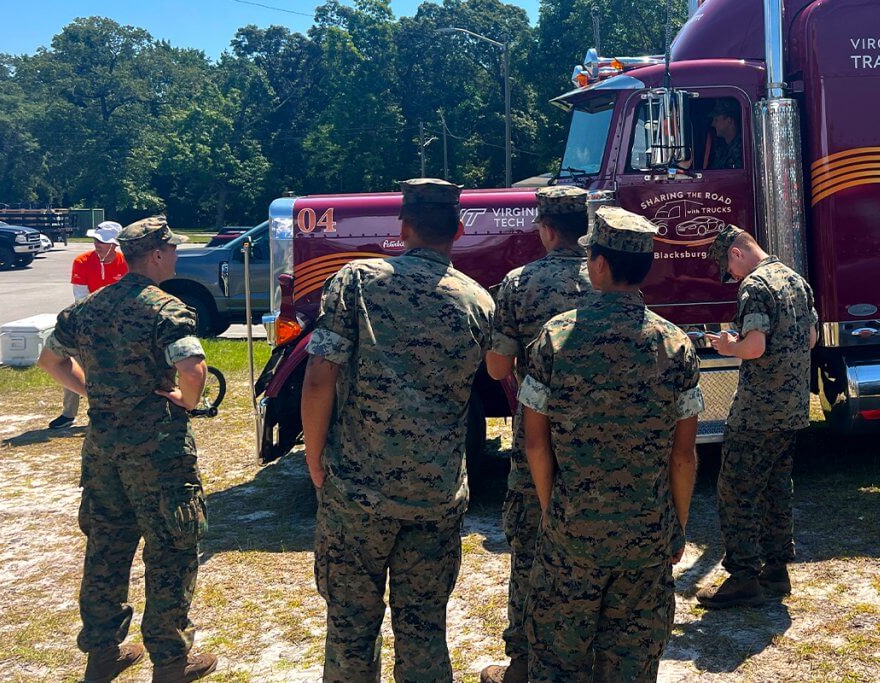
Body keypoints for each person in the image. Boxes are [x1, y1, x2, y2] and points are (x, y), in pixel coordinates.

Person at [300, 178, 495, 682]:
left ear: (402, 226)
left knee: (349, 628)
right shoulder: (478, 301)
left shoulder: (357, 282)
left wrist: (314, 459)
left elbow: (320, 378)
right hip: (435, 494)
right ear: (457, 230)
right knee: (425, 628)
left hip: (357, 492)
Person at [518, 206, 703, 682]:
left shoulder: (556, 338)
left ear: (598, 264)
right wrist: (674, 527)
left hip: (572, 532)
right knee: (631, 664)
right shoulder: (675, 344)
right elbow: (684, 455)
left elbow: (535, 444)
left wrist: (550, 510)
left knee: (559, 663)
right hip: (647, 536)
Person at [37, 216, 218, 683]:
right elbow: (193, 368)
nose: (175, 255)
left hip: (103, 449)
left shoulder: (89, 308)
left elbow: (49, 359)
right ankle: (171, 660)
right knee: (172, 547)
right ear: (156, 256)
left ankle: (102, 653)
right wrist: (187, 402)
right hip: (158, 450)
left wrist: (93, 393)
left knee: (107, 546)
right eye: (172, 249)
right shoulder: (166, 308)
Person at [480, 186, 595, 683]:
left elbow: (496, 365)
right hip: (602, 443)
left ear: (545, 228)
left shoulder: (518, 282)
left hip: (539, 440)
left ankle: (524, 661)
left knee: (530, 545)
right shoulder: (609, 279)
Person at [698, 225, 817, 609]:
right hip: (792, 408)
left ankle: (743, 578)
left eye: (728, 270)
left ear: (736, 253)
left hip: (756, 411)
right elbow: (811, 337)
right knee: (777, 489)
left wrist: (727, 343)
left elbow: (754, 346)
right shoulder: (796, 280)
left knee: (737, 493)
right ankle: (777, 569)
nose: (731, 277)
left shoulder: (754, 286)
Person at [48, 221, 129, 430]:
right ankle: (68, 413)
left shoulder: (126, 263)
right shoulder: (82, 261)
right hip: (87, 320)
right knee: (74, 365)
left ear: (115, 244)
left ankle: (116, 410)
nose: (97, 244)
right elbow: (80, 299)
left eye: (102, 241)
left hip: (118, 324)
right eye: (95, 239)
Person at [708, 99, 743, 170]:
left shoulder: (741, 150)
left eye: (716, 120)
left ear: (729, 121)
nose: (713, 124)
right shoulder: (721, 147)